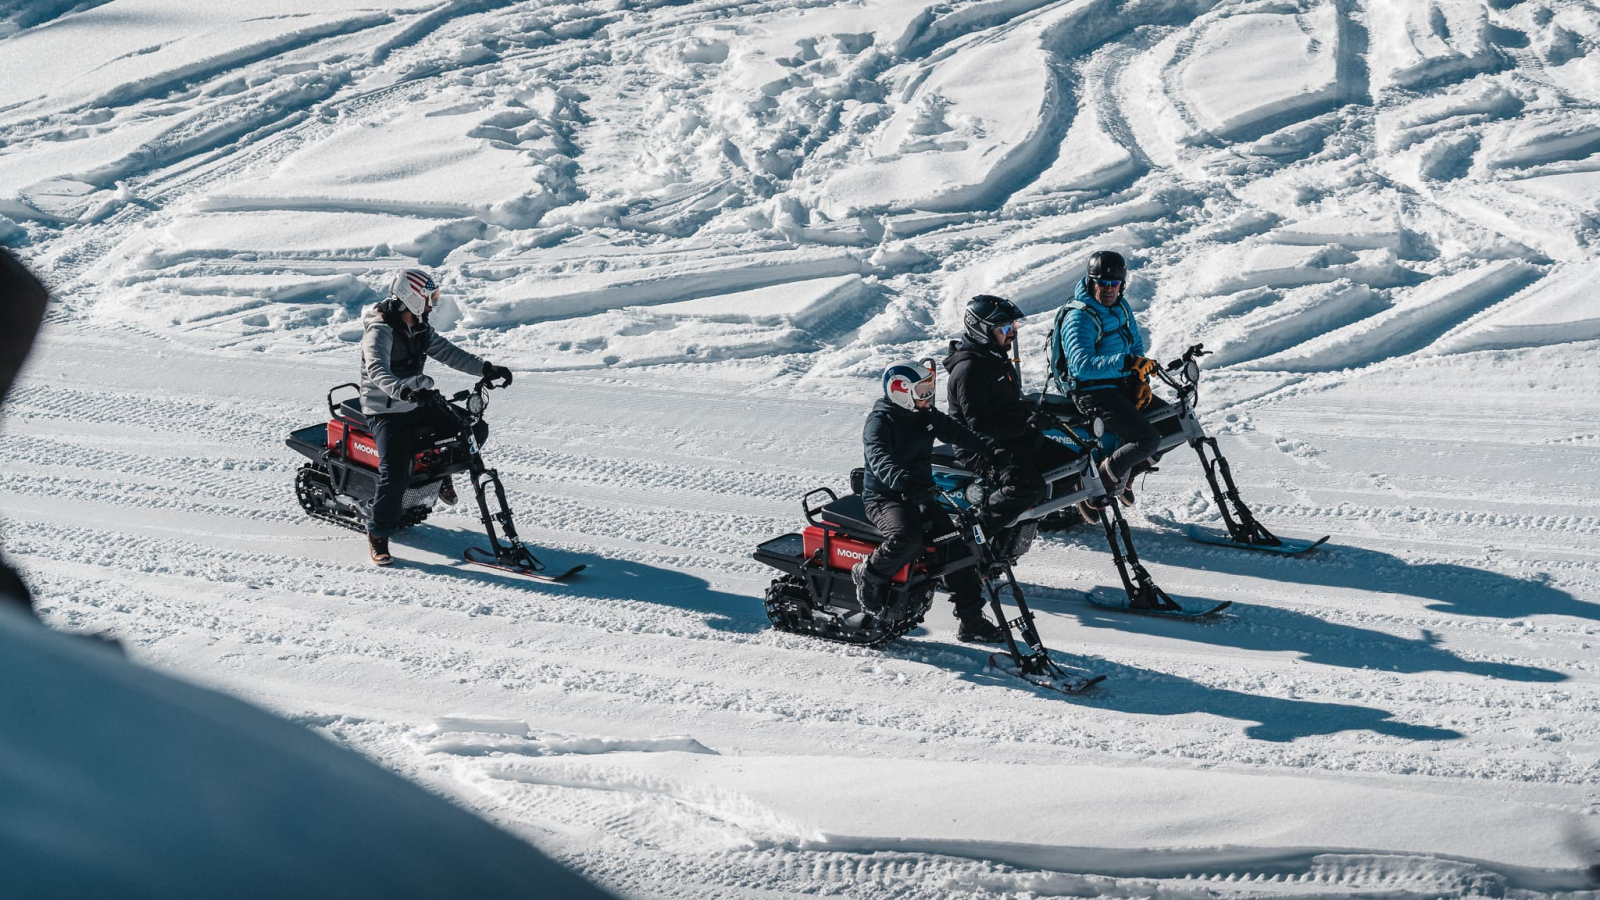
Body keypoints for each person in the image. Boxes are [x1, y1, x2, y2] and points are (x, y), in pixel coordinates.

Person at [360, 268, 513, 566]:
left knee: (472, 430)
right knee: (396, 470)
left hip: (417, 399)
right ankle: (378, 533)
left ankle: (440, 475)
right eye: (430, 298)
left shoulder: (418, 327)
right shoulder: (380, 330)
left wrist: (486, 368)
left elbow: (447, 352)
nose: (433, 303)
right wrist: (404, 393)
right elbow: (377, 370)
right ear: (412, 298)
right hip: (386, 409)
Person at [853, 360, 1009, 644]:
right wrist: (906, 482)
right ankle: (871, 575)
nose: (928, 395)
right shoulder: (880, 422)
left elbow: (958, 432)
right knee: (908, 537)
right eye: (921, 390)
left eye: (929, 388)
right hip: (886, 497)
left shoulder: (924, 415)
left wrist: (991, 449)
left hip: (921, 494)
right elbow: (879, 460)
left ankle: (971, 622)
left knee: (958, 549)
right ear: (901, 391)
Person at [944, 294, 1079, 535]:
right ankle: (975, 531)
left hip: (1009, 436)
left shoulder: (994, 357)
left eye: (1013, 326)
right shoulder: (969, 369)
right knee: (1026, 485)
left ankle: (1027, 514)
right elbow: (980, 426)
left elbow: (1005, 404)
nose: (1012, 333)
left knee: (1070, 464)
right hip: (980, 446)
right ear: (981, 330)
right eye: (1005, 328)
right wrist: (1027, 426)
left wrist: (1032, 412)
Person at [1052, 250, 1161, 520]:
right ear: (1091, 282)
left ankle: (1122, 474)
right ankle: (1095, 486)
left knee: (1171, 423)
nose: (1109, 289)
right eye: (1102, 283)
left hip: (1118, 385)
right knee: (1147, 439)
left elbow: (1135, 345)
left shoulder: (1121, 306)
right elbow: (1082, 365)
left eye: (1114, 284)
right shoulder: (1079, 317)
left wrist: (1140, 380)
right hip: (1091, 392)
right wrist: (1126, 363)